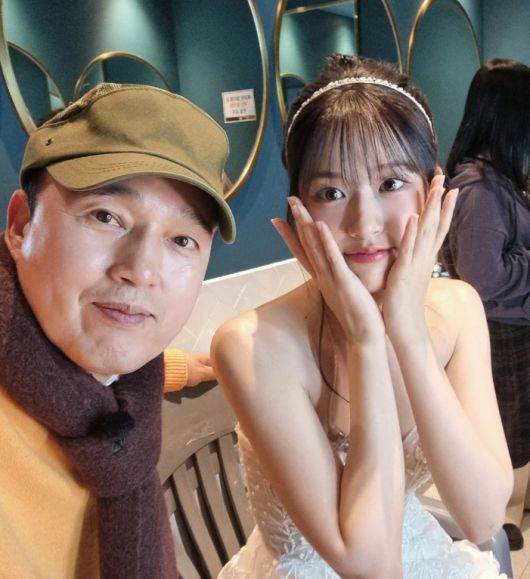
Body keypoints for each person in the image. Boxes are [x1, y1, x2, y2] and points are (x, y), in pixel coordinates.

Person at [211, 55, 513, 577]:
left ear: (432, 190)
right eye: (331, 192)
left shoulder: (458, 308)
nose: (364, 222)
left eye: (391, 183)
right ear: (299, 210)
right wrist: (366, 340)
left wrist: (408, 331)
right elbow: (370, 568)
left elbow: (483, 516)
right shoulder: (251, 344)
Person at [0, 82, 235, 579]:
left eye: (182, 239)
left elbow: (121, 370)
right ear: (21, 225)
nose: (141, 270)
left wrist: (190, 367)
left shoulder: (124, 384)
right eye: (106, 216)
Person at [441, 58, 530, 551]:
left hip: (513, 326)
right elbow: (482, 276)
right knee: (509, 430)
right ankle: (502, 520)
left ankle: (512, 511)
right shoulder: (479, 189)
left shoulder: (498, 180)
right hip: (501, 332)